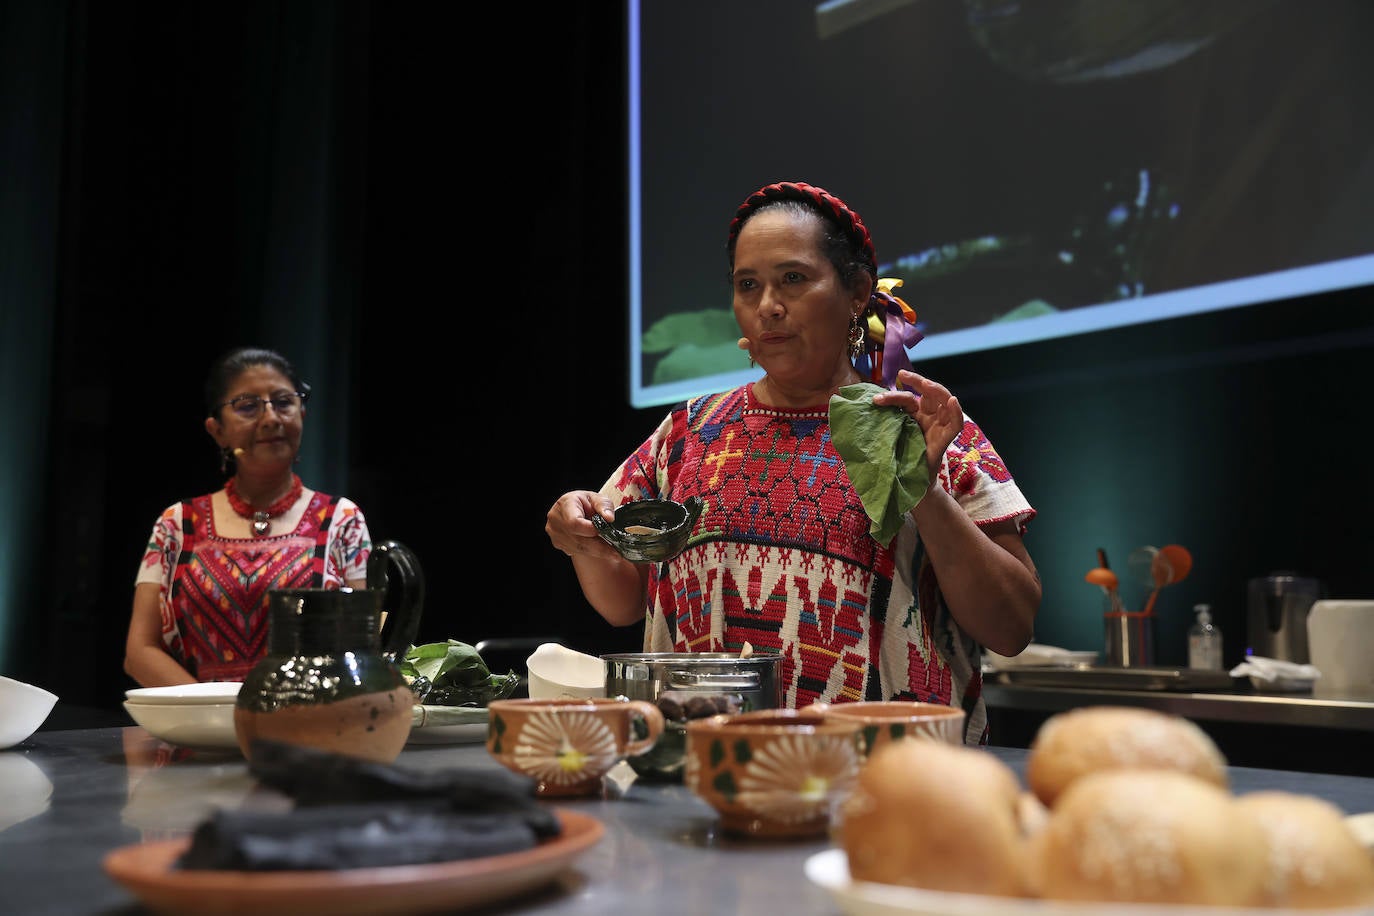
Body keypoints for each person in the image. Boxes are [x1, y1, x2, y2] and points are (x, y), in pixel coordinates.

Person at [545, 180, 1041, 743]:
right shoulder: (688, 431)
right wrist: (583, 537)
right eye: (747, 285)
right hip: (710, 780)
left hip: (884, 789)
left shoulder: (925, 430)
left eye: (793, 279)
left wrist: (923, 492)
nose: (767, 306)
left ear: (856, 291)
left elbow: (1011, 627)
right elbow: (621, 602)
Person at [124, 346, 372, 686]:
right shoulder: (176, 524)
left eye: (284, 402)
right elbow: (140, 651)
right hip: (199, 730)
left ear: (302, 412)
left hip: (309, 727)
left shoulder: (342, 520)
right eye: (247, 406)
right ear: (217, 430)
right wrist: (216, 713)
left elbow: (362, 645)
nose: (271, 418)